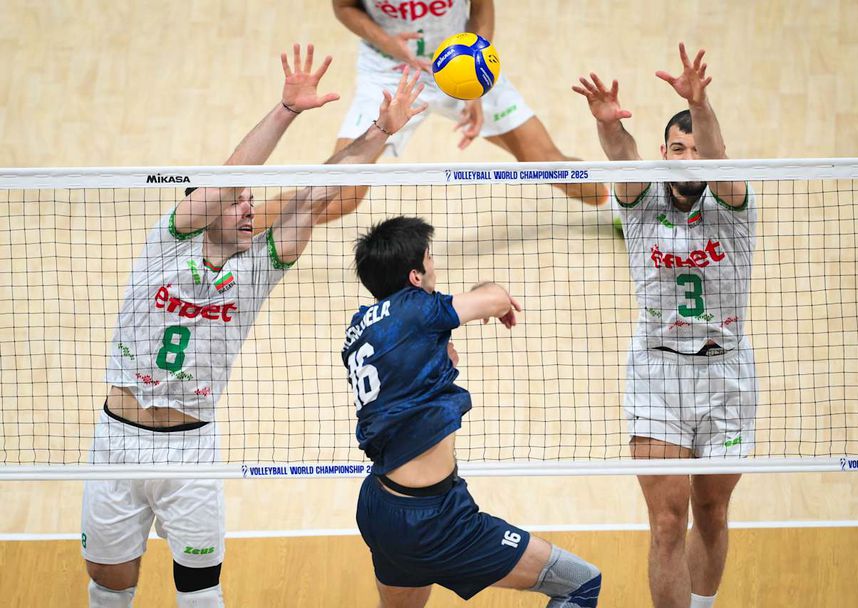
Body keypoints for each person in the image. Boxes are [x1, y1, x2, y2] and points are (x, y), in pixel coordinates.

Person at [80, 43, 427, 608]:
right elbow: (223, 183)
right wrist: (286, 111)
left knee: (199, 591)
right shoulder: (165, 248)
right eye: (237, 202)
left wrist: (380, 132)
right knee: (109, 583)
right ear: (205, 211)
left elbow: (315, 196)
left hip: (191, 448)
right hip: (118, 440)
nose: (248, 208)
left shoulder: (256, 270)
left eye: (251, 201)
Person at [573, 42, 756, 608]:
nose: (687, 158)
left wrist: (700, 105)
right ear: (663, 153)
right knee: (667, 522)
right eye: (678, 148)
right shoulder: (641, 202)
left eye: (696, 149)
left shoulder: (733, 205)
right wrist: (608, 125)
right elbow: (623, 159)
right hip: (657, 372)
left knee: (712, 511)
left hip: (726, 373)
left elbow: (717, 158)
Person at [342, 216, 602, 607]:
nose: (435, 265)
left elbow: (402, 378)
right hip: (433, 522)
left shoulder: (360, 327)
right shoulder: (420, 310)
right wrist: (487, 302)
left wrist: (438, 357)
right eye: (430, 258)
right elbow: (496, 298)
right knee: (580, 584)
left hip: (379, 507)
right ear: (415, 276)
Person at [276, 0, 607, 227]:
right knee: (339, 194)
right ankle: (249, 227)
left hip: (463, 61)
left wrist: (476, 85)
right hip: (389, 69)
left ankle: (620, 203)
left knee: (546, 163)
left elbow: (481, 7)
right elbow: (344, 6)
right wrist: (387, 41)